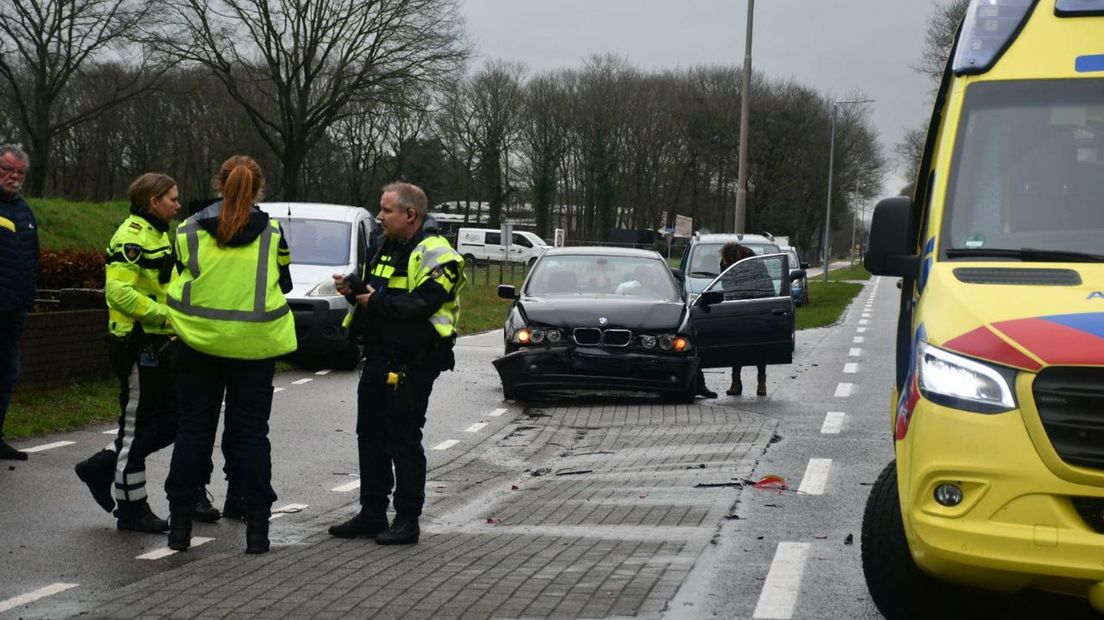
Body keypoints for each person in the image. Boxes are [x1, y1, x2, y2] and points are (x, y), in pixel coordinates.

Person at [73, 174, 221, 533]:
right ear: (152, 201)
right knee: (138, 429)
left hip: (160, 342)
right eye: (171, 198)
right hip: (138, 344)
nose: (177, 203)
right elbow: (118, 292)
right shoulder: (131, 237)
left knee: (168, 424)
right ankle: (131, 509)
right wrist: (165, 316)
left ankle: (104, 463)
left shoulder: (160, 235)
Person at [163, 155, 296, 554]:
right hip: (254, 346)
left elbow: (178, 277)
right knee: (252, 434)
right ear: (258, 189)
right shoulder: (273, 233)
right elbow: (284, 282)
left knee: (193, 432)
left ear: (219, 184)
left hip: (198, 344)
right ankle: (257, 531)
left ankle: (180, 527)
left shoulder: (187, 230)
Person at [328, 181, 465, 546]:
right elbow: (380, 295)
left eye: (386, 210)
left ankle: (407, 519)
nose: (379, 216)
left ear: (410, 215)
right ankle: (372, 513)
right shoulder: (383, 245)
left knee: (403, 439)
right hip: (377, 356)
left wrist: (372, 301)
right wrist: (357, 290)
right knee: (370, 437)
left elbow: (419, 304)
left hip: (413, 363)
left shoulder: (439, 254)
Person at [0, 145, 35, 461]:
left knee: (7, 374)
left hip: (14, 310)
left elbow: (31, 257)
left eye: (20, 172)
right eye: (8, 169)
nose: (14, 176)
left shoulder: (24, 211)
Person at [723, 242, 769, 397]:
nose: (729, 263)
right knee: (736, 346)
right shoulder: (725, 263)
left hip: (755, 307)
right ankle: (736, 382)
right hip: (737, 308)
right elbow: (726, 283)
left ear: (738, 255)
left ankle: (761, 382)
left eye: (731, 259)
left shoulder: (754, 263)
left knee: (759, 347)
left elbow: (764, 284)